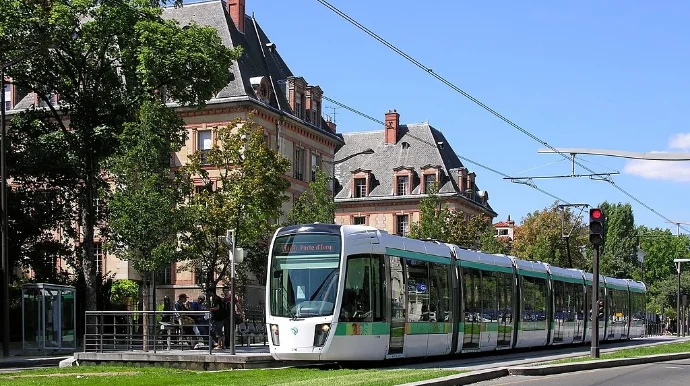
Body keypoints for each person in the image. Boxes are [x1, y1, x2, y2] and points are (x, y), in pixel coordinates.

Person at [222, 283, 244, 349]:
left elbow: (238, 305)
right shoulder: (223, 299)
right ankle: (227, 344)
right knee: (226, 330)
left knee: (232, 330)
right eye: (224, 290)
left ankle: (231, 343)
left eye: (227, 290)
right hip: (225, 316)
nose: (226, 291)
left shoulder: (232, 298)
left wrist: (241, 313)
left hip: (232, 315)